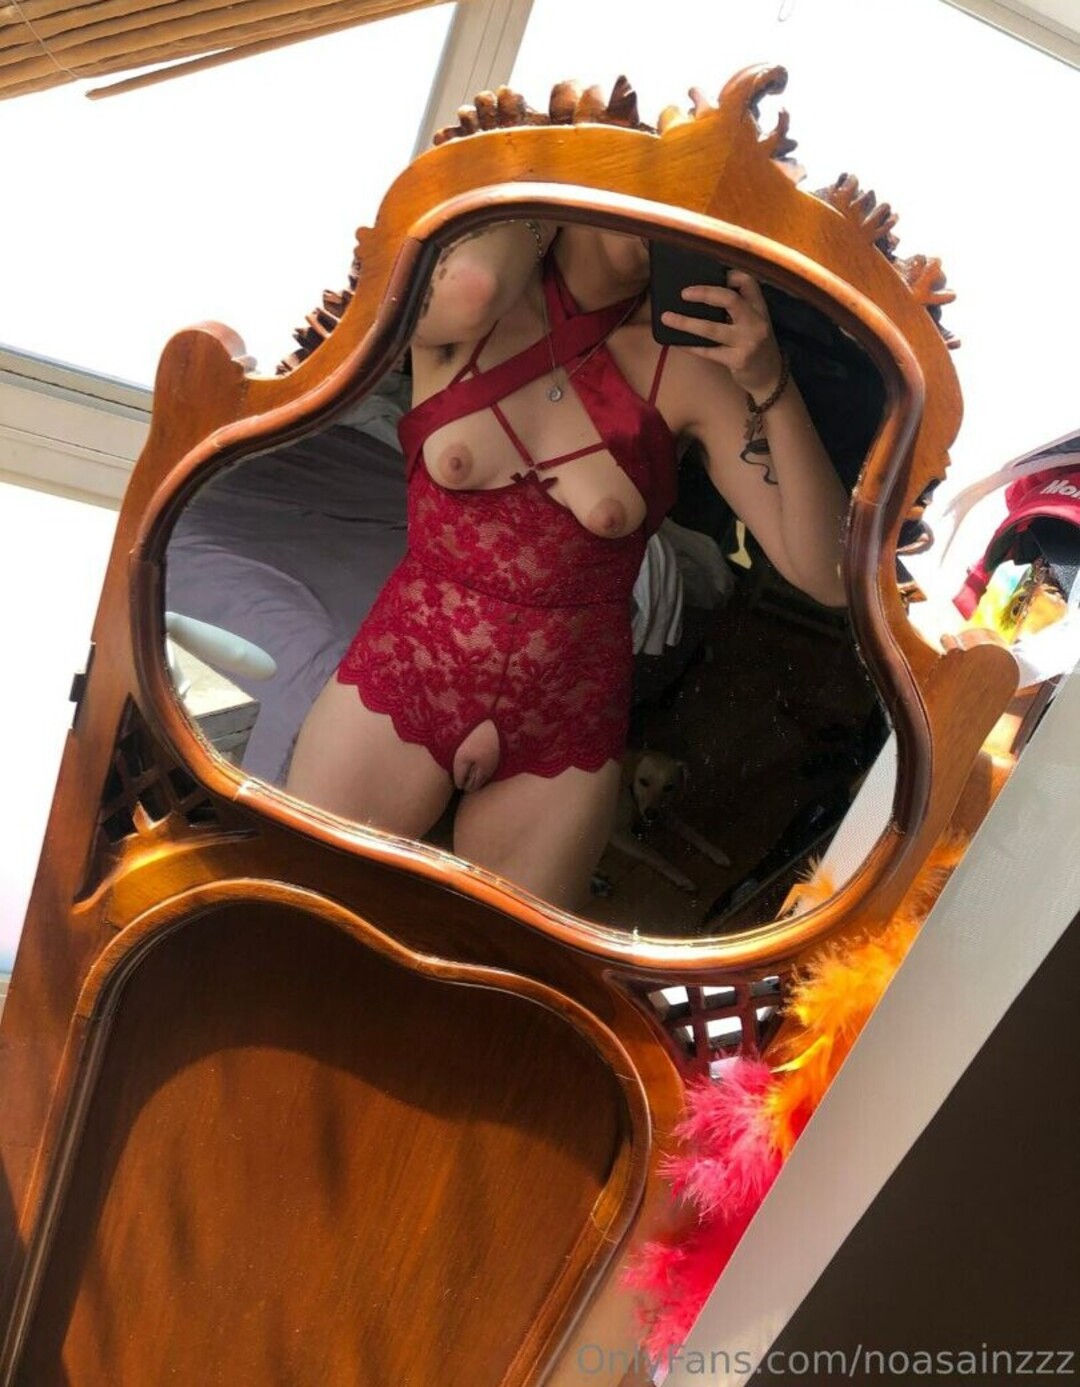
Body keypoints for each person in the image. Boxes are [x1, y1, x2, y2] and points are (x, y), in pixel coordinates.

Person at [285, 218, 849, 909]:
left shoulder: (692, 369)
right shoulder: (465, 305)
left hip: (566, 721)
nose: (673, 214)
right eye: (659, 185)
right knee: (299, 915)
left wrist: (770, 381)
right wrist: (556, 197)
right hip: (406, 673)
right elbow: (474, 284)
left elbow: (828, 574)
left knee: (500, 970)